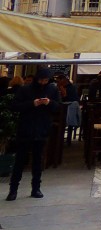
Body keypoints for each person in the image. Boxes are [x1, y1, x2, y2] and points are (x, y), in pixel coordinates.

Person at [6, 67, 60, 201]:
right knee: (20, 160)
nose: (43, 83)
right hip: (26, 128)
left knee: (37, 161)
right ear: (37, 78)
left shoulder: (52, 90)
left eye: (45, 80)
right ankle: (13, 190)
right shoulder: (25, 89)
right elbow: (14, 106)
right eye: (41, 80)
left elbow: (58, 107)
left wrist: (49, 103)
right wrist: (32, 103)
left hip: (42, 128)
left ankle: (36, 188)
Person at [55, 73, 80, 145]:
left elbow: (64, 97)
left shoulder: (67, 87)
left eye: (58, 81)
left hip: (68, 107)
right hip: (69, 107)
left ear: (63, 80)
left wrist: (61, 89)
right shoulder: (71, 86)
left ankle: (59, 137)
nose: (57, 83)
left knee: (61, 119)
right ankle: (64, 137)